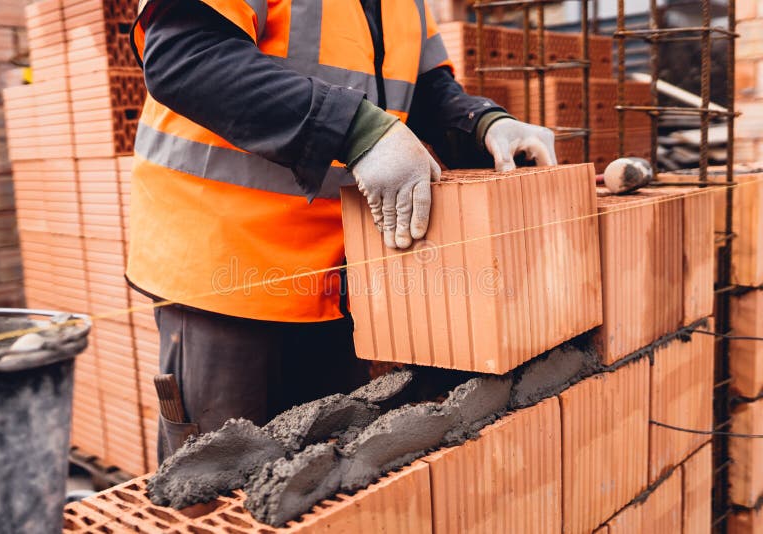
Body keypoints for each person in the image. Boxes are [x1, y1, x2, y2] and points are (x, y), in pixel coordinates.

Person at [126, 0, 557, 460]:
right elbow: (187, 57)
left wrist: (482, 123)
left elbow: (424, 89)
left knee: (331, 475)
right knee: (224, 481)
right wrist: (355, 129)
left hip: (340, 280)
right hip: (225, 278)